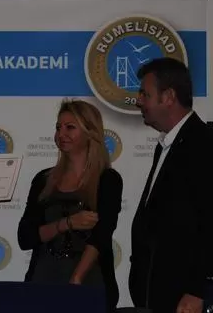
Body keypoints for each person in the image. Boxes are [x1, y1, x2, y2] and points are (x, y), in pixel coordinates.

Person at [129, 57, 213, 313]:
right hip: (162, 293)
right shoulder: (168, 145)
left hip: (187, 297)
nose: (138, 101)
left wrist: (198, 290)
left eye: (145, 94)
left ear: (168, 96)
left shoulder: (205, 145)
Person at [17, 99, 123, 312]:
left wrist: (76, 279)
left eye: (70, 127)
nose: (61, 134)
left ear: (90, 133)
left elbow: (101, 236)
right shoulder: (43, 180)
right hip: (43, 280)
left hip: (89, 282)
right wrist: (66, 223)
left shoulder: (107, 180)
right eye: (58, 127)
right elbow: (25, 237)